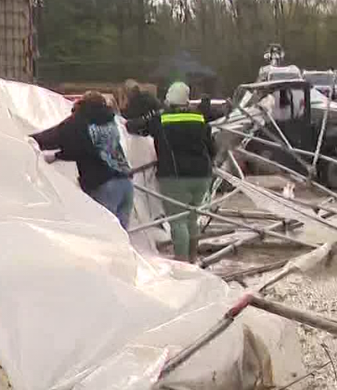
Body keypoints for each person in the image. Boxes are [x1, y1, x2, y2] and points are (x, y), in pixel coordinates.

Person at [128, 81, 216, 262]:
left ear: (168, 99)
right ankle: (192, 258)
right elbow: (212, 147)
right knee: (192, 217)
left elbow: (135, 127)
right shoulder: (198, 118)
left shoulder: (161, 119)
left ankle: (182, 262)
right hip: (202, 175)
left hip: (175, 176)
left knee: (178, 220)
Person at [32, 92, 135, 228]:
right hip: (125, 182)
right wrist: (60, 155)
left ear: (82, 104)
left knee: (104, 234)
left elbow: (57, 137)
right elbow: (90, 147)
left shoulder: (81, 120)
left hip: (103, 184)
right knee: (121, 237)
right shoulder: (109, 120)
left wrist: (28, 140)